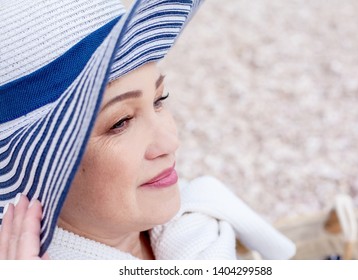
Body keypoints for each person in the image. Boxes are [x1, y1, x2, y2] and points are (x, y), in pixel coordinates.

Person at [0, 0, 296, 260]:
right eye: (120, 122)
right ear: (40, 164)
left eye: (159, 100)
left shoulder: (198, 232)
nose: (170, 142)